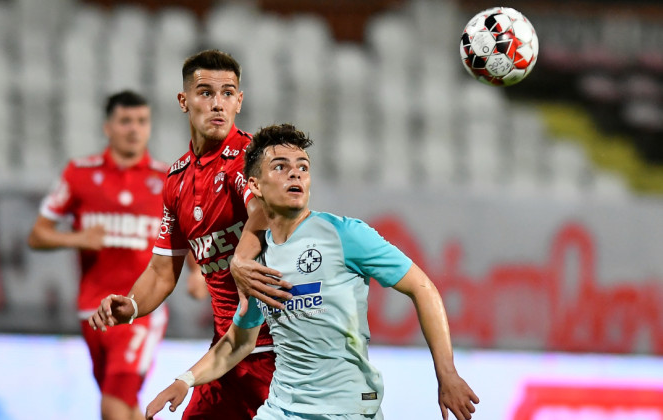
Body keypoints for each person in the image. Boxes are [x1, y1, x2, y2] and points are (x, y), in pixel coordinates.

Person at [145, 123, 480, 420]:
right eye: (281, 167)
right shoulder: (257, 260)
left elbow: (422, 287)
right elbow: (238, 343)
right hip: (283, 408)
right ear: (255, 186)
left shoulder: (345, 234)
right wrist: (184, 381)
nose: (296, 174)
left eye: (302, 167)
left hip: (347, 408)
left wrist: (446, 374)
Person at [88, 50, 293, 419]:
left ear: (240, 101)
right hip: (227, 355)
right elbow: (162, 270)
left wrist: (243, 256)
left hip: (281, 353)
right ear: (184, 101)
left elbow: (264, 213)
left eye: (228, 93)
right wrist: (132, 305)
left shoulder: (249, 158)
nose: (218, 104)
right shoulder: (176, 180)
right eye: (205, 92)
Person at [27, 90, 180, 420]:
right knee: (124, 406)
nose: (134, 129)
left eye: (141, 121)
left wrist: (196, 274)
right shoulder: (79, 174)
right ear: (107, 127)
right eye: (125, 121)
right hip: (93, 311)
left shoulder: (167, 179)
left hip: (141, 310)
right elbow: (37, 235)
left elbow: (181, 234)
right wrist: (78, 237)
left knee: (113, 401)